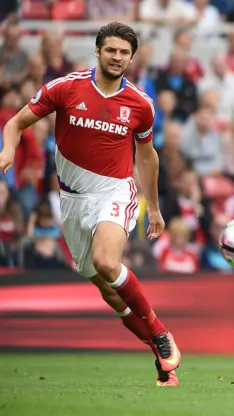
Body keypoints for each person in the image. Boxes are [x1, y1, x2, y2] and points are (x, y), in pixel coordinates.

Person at [0, 22, 181, 387]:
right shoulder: (65, 88)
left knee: (106, 261)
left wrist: (156, 208)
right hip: (72, 200)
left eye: (124, 53)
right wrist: (7, 150)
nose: (117, 57)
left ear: (131, 58)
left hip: (115, 191)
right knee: (109, 291)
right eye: (111, 50)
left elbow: (147, 158)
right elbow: (16, 124)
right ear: (97, 51)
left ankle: (161, 333)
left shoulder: (140, 104)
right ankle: (162, 361)